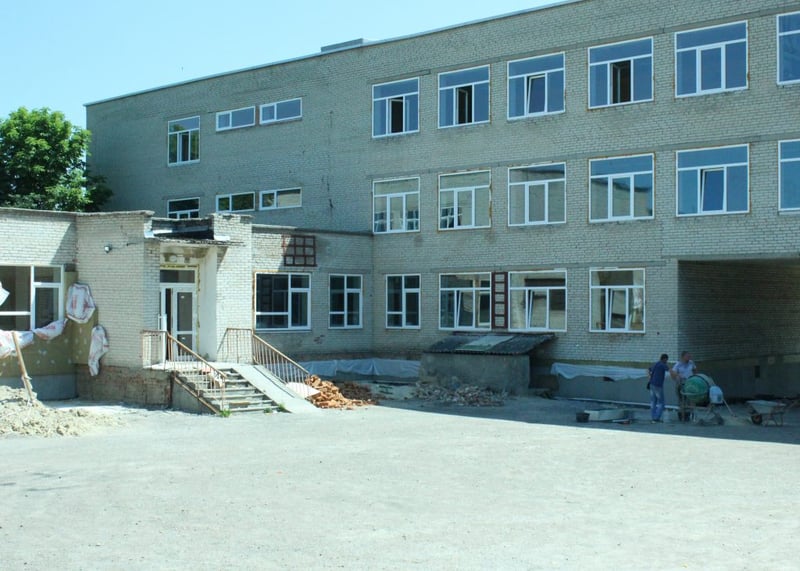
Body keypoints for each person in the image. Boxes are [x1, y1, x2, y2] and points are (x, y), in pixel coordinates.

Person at [670, 351, 698, 419]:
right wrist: (677, 376)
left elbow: (695, 370)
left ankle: (691, 415)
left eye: (689, 356)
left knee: (691, 399)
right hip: (681, 384)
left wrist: (695, 377)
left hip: (690, 384)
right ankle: (682, 416)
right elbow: (672, 372)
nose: (689, 357)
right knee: (682, 400)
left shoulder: (691, 362)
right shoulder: (678, 364)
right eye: (687, 356)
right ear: (683, 357)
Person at [648, 353, 669, 422]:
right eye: (666, 360)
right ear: (664, 359)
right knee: (661, 402)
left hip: (652, 384)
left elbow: (649, 369)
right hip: (658, 385)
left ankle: (653, 417)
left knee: (653, 402)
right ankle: (656, 418)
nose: (667, 361)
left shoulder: (656, 364)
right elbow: (669, 369)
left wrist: (649, 377)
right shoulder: (662, 364)